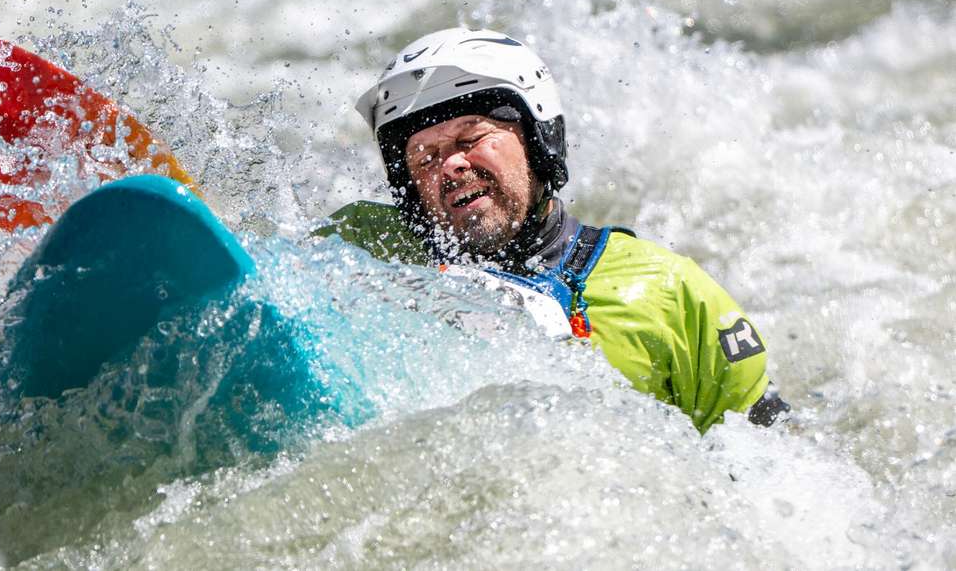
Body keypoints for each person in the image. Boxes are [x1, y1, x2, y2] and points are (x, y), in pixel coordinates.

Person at [317, 27, 789, 433]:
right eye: (425, 158)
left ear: (539, 141)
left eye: (470, 138)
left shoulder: (666, 290)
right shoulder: (360, 247)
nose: (452, 165)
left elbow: (769, 462)